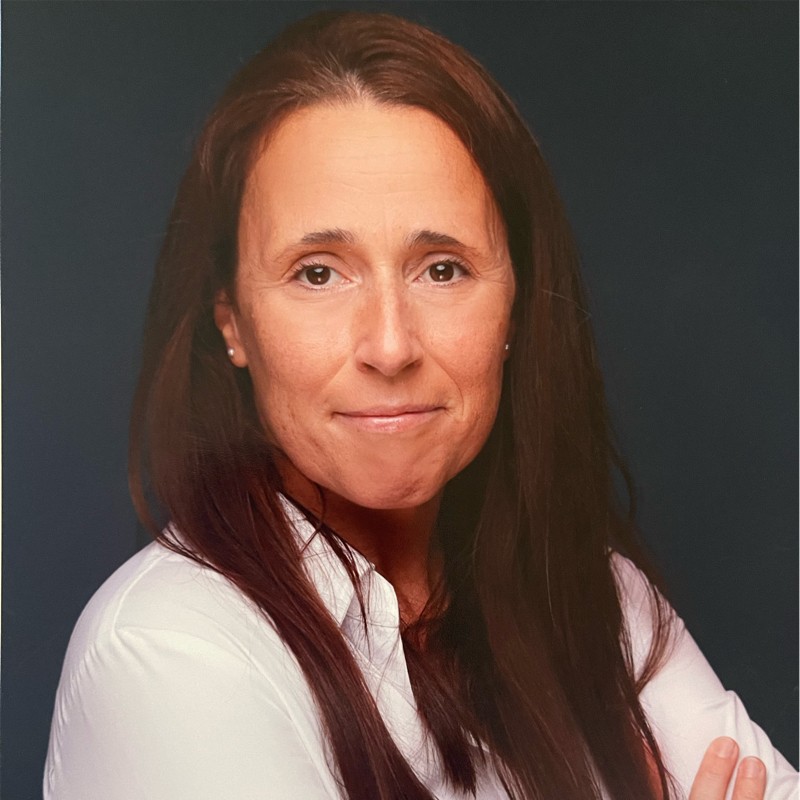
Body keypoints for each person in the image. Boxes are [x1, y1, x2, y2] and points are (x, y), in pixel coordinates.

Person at [44, 11, 796, 800]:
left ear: (515, 306)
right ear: (232, 322)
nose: (391, 345)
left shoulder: (587, 590)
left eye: (441, 269)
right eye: (318, 273)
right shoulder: (169, 650)